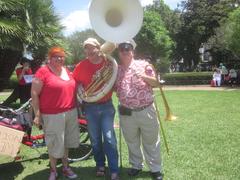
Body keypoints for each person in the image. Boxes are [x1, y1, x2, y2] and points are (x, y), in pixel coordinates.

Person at [114, 40, 163, 180]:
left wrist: (143, 76)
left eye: (127, 48)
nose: (124, 51)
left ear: (132, 51)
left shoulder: (144, 64)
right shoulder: (117, 69)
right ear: (119, 52)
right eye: (122, 49)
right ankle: (136, 165)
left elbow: (156, 83)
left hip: (146, 110)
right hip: (126, 112)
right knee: (131, 141)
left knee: (151, 141)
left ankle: (155, 169)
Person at [73, 38, 119, 180]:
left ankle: (114, 170)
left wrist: (107, 80)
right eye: (86, 48)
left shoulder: (109, 63)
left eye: (91, 48)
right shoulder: (81, 66)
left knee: (110, 138)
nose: (89, 51)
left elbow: (115, 83)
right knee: (95, 139)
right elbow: (75, 83)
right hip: (90, 107)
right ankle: (100, 165)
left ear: (99, 48)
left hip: (106, 106)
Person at [31, 47, 79, 180]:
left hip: (70, 112)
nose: (59, 58)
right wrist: (37, 114)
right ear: (49, 58)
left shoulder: (67, 71)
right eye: (55, 56)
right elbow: (34, 93)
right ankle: (53, 170)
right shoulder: (43, 72)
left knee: (66, 142)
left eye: (61, 56)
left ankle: (65, 167)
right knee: (54, 143)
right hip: (52, 115)